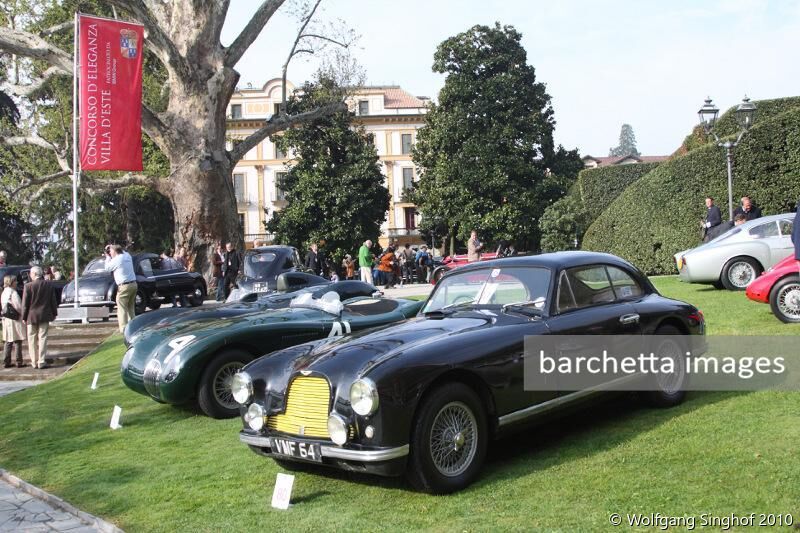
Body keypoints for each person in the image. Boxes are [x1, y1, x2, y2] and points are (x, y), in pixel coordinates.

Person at [21, 266, 58, 369]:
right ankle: (41, 361)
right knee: (43, 337)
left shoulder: (28, 286)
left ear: (33, 274)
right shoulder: (48, 285)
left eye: (30, 273)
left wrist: (24, 317)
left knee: (31, 339)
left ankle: (33, 361)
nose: (30, 275)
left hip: (31, 316)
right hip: (44, 315)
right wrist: (54, 313)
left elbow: (25, 304)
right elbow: (53, 300)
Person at [105, 245, 137, 333]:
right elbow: (122, 251)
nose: (110, 253)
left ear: (115, 251)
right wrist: (112, 247)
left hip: (124, 286)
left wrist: (107, 257)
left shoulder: (117, 259)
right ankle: (134, 326)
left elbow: (107, 268)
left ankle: (123, 329)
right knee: (130, 307)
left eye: (111, 251)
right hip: (133, 284)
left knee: (122, 307)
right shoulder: (127, 256)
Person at [2, 275, 25, 368]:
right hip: (15, 319)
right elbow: (19, 306)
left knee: (8, 341)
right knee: (17, 340)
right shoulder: (13, 293)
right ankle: (19, 361)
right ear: (11, 282)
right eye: (15, 281)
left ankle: (6, 361)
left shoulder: (4, 292)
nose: (17, 282)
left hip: (6, 318)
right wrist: (23, 315)